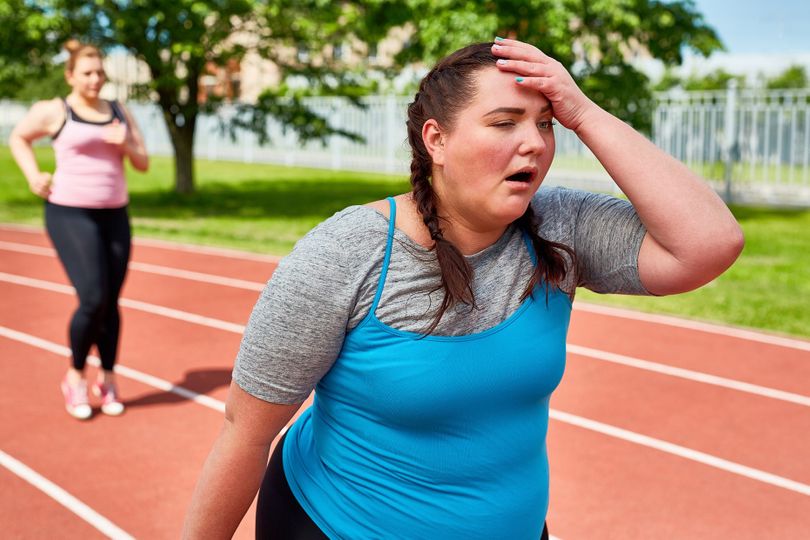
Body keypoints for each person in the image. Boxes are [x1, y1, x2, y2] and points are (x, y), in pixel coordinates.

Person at [183, 38, 743, 539]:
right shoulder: (349, 253)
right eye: (504, 123)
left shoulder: (560, 227)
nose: (534, 143)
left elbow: (709, 243)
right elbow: (244, 433)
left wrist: (584, 113)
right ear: (437, 140)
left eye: (546, 124)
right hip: (334, 524)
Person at [9, 40, 149, 420]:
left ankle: (108, 378)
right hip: (69, 213)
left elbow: (143, 163)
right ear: (70, 75)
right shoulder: (55, 110)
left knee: (111, 301)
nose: (95, 79)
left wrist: (127, 143)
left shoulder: (119, 111)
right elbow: (18, 138)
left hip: (115, 214)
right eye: (87, 73)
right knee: (92, 297)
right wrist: (33, 175)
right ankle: (74, 377)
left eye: (100, 72)